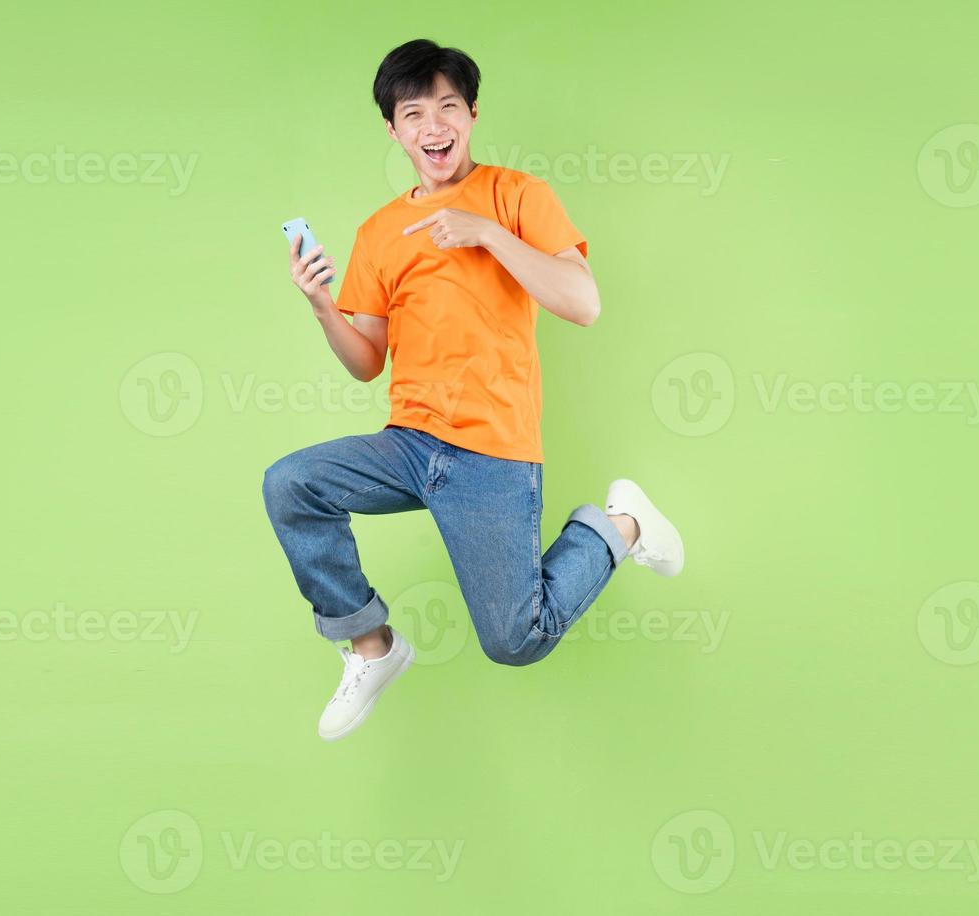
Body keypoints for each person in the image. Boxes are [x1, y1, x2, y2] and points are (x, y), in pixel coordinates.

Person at [263, 39, 684, 741]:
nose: (435, 126)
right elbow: (367, 361)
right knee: (291, 485)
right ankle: (373, 647)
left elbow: (583, 302)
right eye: (415, 112)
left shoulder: (516, 196)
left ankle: (621, 524)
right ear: (393, 130)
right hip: (409, 445)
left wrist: (486, 233)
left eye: (449, 107)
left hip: (492, 453)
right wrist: (320, 306)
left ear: (473, 114)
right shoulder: (379, 232)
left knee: (516, 640)